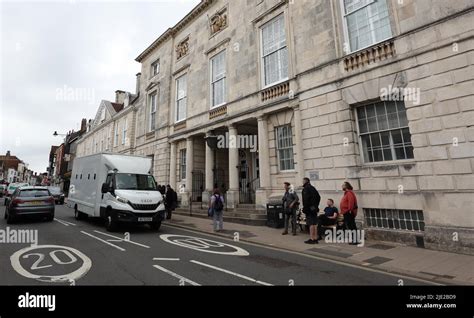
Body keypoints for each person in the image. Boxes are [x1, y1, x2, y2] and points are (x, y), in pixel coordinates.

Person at [302, 177, 321, 244]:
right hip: (314, 209)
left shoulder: (306, 189)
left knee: (311, 224)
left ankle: (311, 238)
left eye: (303, 181)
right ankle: (315, 238)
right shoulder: (313, 188)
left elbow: (306, 200)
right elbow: (318, 197)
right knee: (315, 223)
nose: (302, 182)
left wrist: (306, 208)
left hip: (309, 209)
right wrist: (315, 206)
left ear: (305, 181)